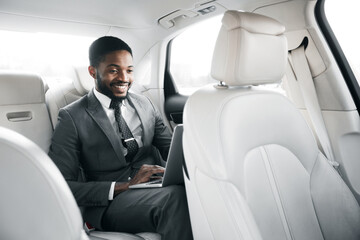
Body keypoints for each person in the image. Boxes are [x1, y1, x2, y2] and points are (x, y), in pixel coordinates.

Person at [48, 36, 193, 240]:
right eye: (114, 70)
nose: (124, 78)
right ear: (93, 72)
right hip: (112, 202)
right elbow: (61, 184)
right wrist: (125, 185)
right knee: (174, 199)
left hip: (155, 186)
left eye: (129, 70)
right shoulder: (71, 116)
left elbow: (171, 148)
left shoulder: (145, 104)